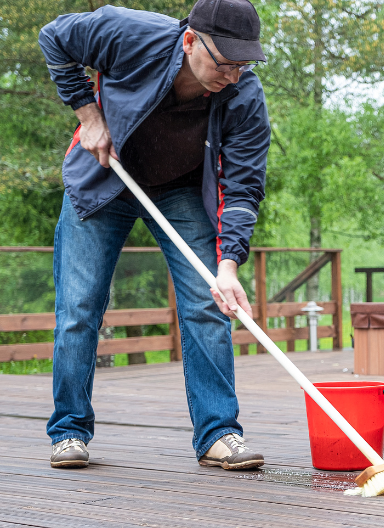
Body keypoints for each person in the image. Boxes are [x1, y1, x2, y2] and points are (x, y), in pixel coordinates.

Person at [38, 0, 270, 470]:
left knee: (209, 302)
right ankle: (69, 431)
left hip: (179, 189)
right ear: (190, 42)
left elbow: (242, 187)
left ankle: (218, 433)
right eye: (225, 63)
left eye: (243, 64)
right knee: (79, 307)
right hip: (105, 178)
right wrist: (89, 115)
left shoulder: (244, 96)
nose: (233, 76)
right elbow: (54, 37)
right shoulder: (128, 33)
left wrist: (227, 266)